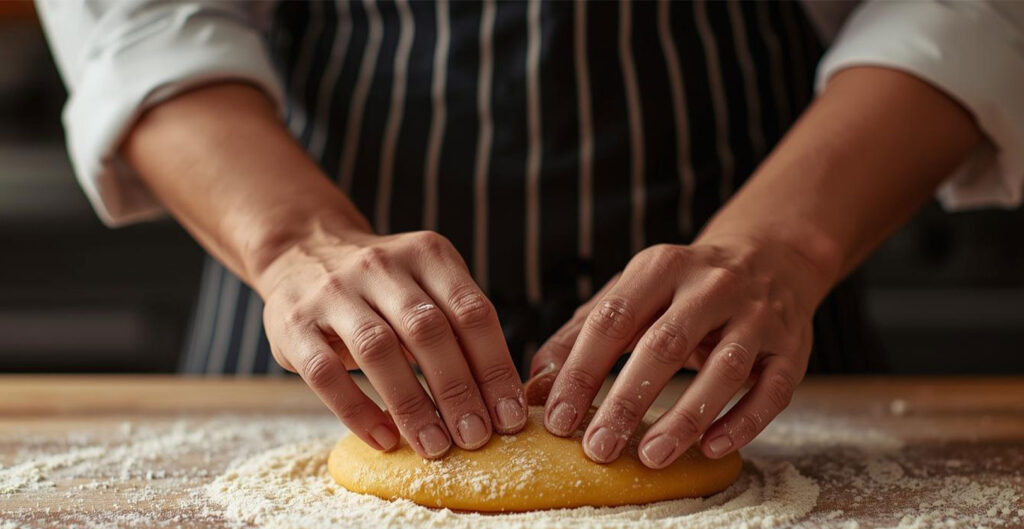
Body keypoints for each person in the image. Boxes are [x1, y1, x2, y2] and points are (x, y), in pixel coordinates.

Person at [38, 1, 1023, 470]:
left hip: (757, 365)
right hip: (322, 362)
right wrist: (295, 243)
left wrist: (784, 251)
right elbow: (144, 21)